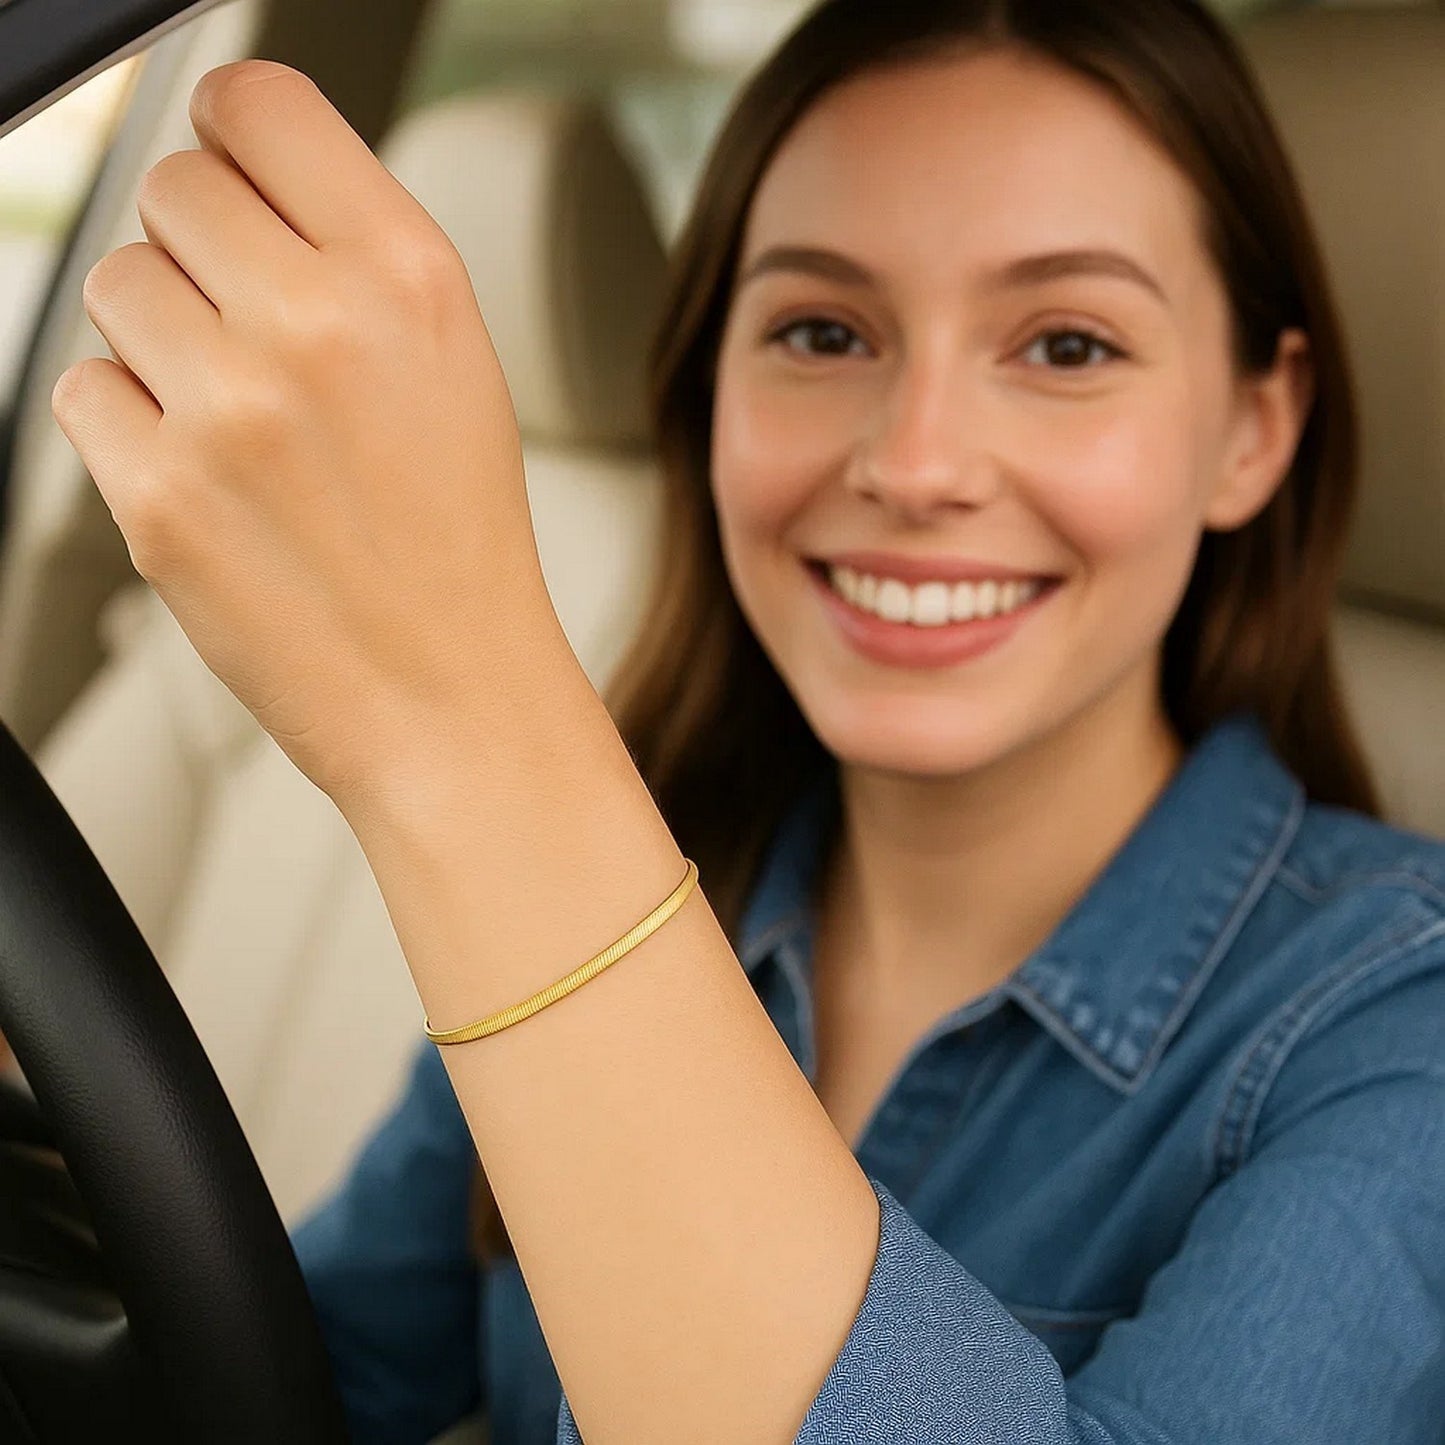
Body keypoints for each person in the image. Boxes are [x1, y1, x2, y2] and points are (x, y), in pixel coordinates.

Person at [65, 0, 1443, 1440]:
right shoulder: (673, 865)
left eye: (1066, 346)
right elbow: (296, 1386)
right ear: (707, 387)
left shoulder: (1401, 1025)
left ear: (1254, 427)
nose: (914, 463)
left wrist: (462, 724)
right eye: (821, 331)